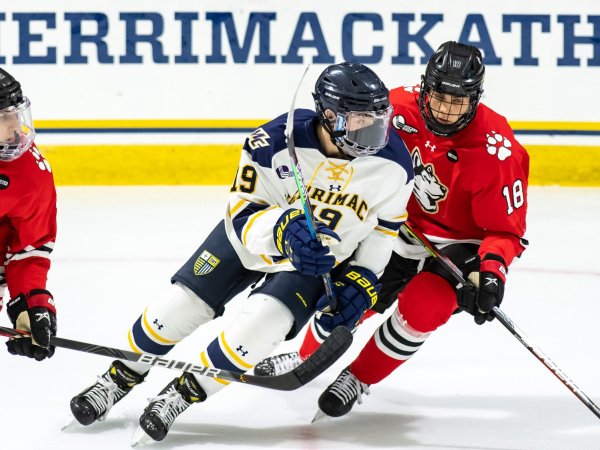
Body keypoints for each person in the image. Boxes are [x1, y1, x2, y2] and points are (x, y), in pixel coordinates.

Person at [68, 62, 415, 443]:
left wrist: (363, 275)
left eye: (379, 120)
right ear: (330, 116)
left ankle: (180, 395)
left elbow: (385, 229)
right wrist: (281, 229)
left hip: (315, 261)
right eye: (361, 120)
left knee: (257, 332)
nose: (374, 132)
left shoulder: (395, 164)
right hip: (247, 242)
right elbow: (241, 213)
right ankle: (118, 377)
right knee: (173, 311)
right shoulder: (272, 142)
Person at [254, 41, 530, 418]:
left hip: (458, 244)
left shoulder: (497, 150)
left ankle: (359, 377)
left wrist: (493, 275)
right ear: (425, 87)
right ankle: (305, 355)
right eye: (439, 98)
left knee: (425, 304)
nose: (447, 111)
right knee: (350, 293)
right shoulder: (392, 110)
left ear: (476, 99)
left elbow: (505, 231)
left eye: (459, 102)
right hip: (395, 226)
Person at [0, 68, 57, 361]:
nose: (16, 127)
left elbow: (29, 248)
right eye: (3, 117)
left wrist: (29, 300)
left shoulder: (29, 173)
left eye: (16, 114)